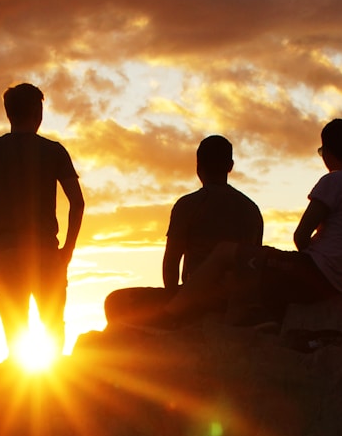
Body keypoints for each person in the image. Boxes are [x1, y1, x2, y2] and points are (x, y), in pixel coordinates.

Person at [164, 118, 342, 324]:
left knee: (224, 252)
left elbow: (301, 235)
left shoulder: (334, 181)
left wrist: (304, 265)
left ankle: (171, 314)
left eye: (321, 152)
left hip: (311, 270)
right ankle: (259, 319)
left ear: (327, 152)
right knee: (255, 264)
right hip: (339, 286)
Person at [0, 83, 86, 357]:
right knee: (53, 326)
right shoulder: (54, 151)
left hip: (4, 252)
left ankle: (17, 390)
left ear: (8, 114)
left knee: (14, 328)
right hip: (45, 252)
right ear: (38, 112)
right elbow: (77, 203)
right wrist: (68, 249)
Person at [104, 135, 263, 328]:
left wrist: (174, 304)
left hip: (195, 301)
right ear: (230, 166)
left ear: (198, 167)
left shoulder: (189, 204)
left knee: (115, 301)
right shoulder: (251, 210)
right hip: (235, 301)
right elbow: (254, 265)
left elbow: (171, 261)